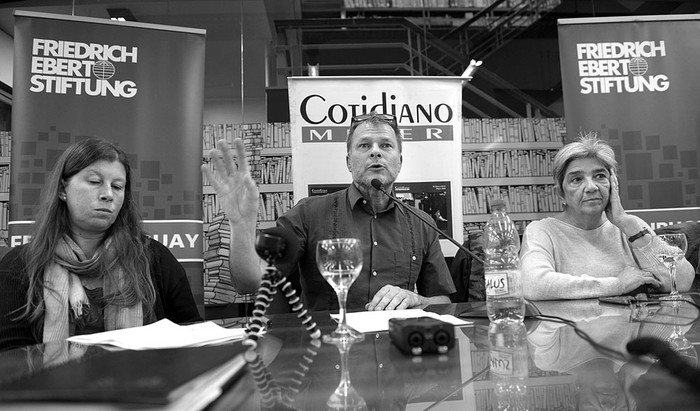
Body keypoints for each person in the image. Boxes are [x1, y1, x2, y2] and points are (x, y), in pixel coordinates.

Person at [203, 111, 455, 311]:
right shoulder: (308, 214)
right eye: (364, 145)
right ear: (348, 161)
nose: (375, 151)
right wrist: (241, 225)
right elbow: (249, 281)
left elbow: (443, 301)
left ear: (400, 161)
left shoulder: (423, 223)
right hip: (325, 356)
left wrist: (416, 299)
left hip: (397, 354)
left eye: (386, 145)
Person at [0, 138, 201, 351]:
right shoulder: (20, 265)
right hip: (52, 383)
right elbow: (9, 357)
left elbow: (193, 335)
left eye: (117, 186)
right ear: (62, 190)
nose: (108, 194)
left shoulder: (154, 258)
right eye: (95, 182)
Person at [520, 133, 694, 300]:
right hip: (570, 329)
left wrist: (626, 223)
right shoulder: (542, 231)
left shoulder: (631, 227)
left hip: (632, 329)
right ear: (560, 193)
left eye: (600, 176)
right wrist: (617, 285)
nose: (591, 187)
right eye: (577, 179)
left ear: (613, 184)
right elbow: (534, 284)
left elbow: (683, 282)